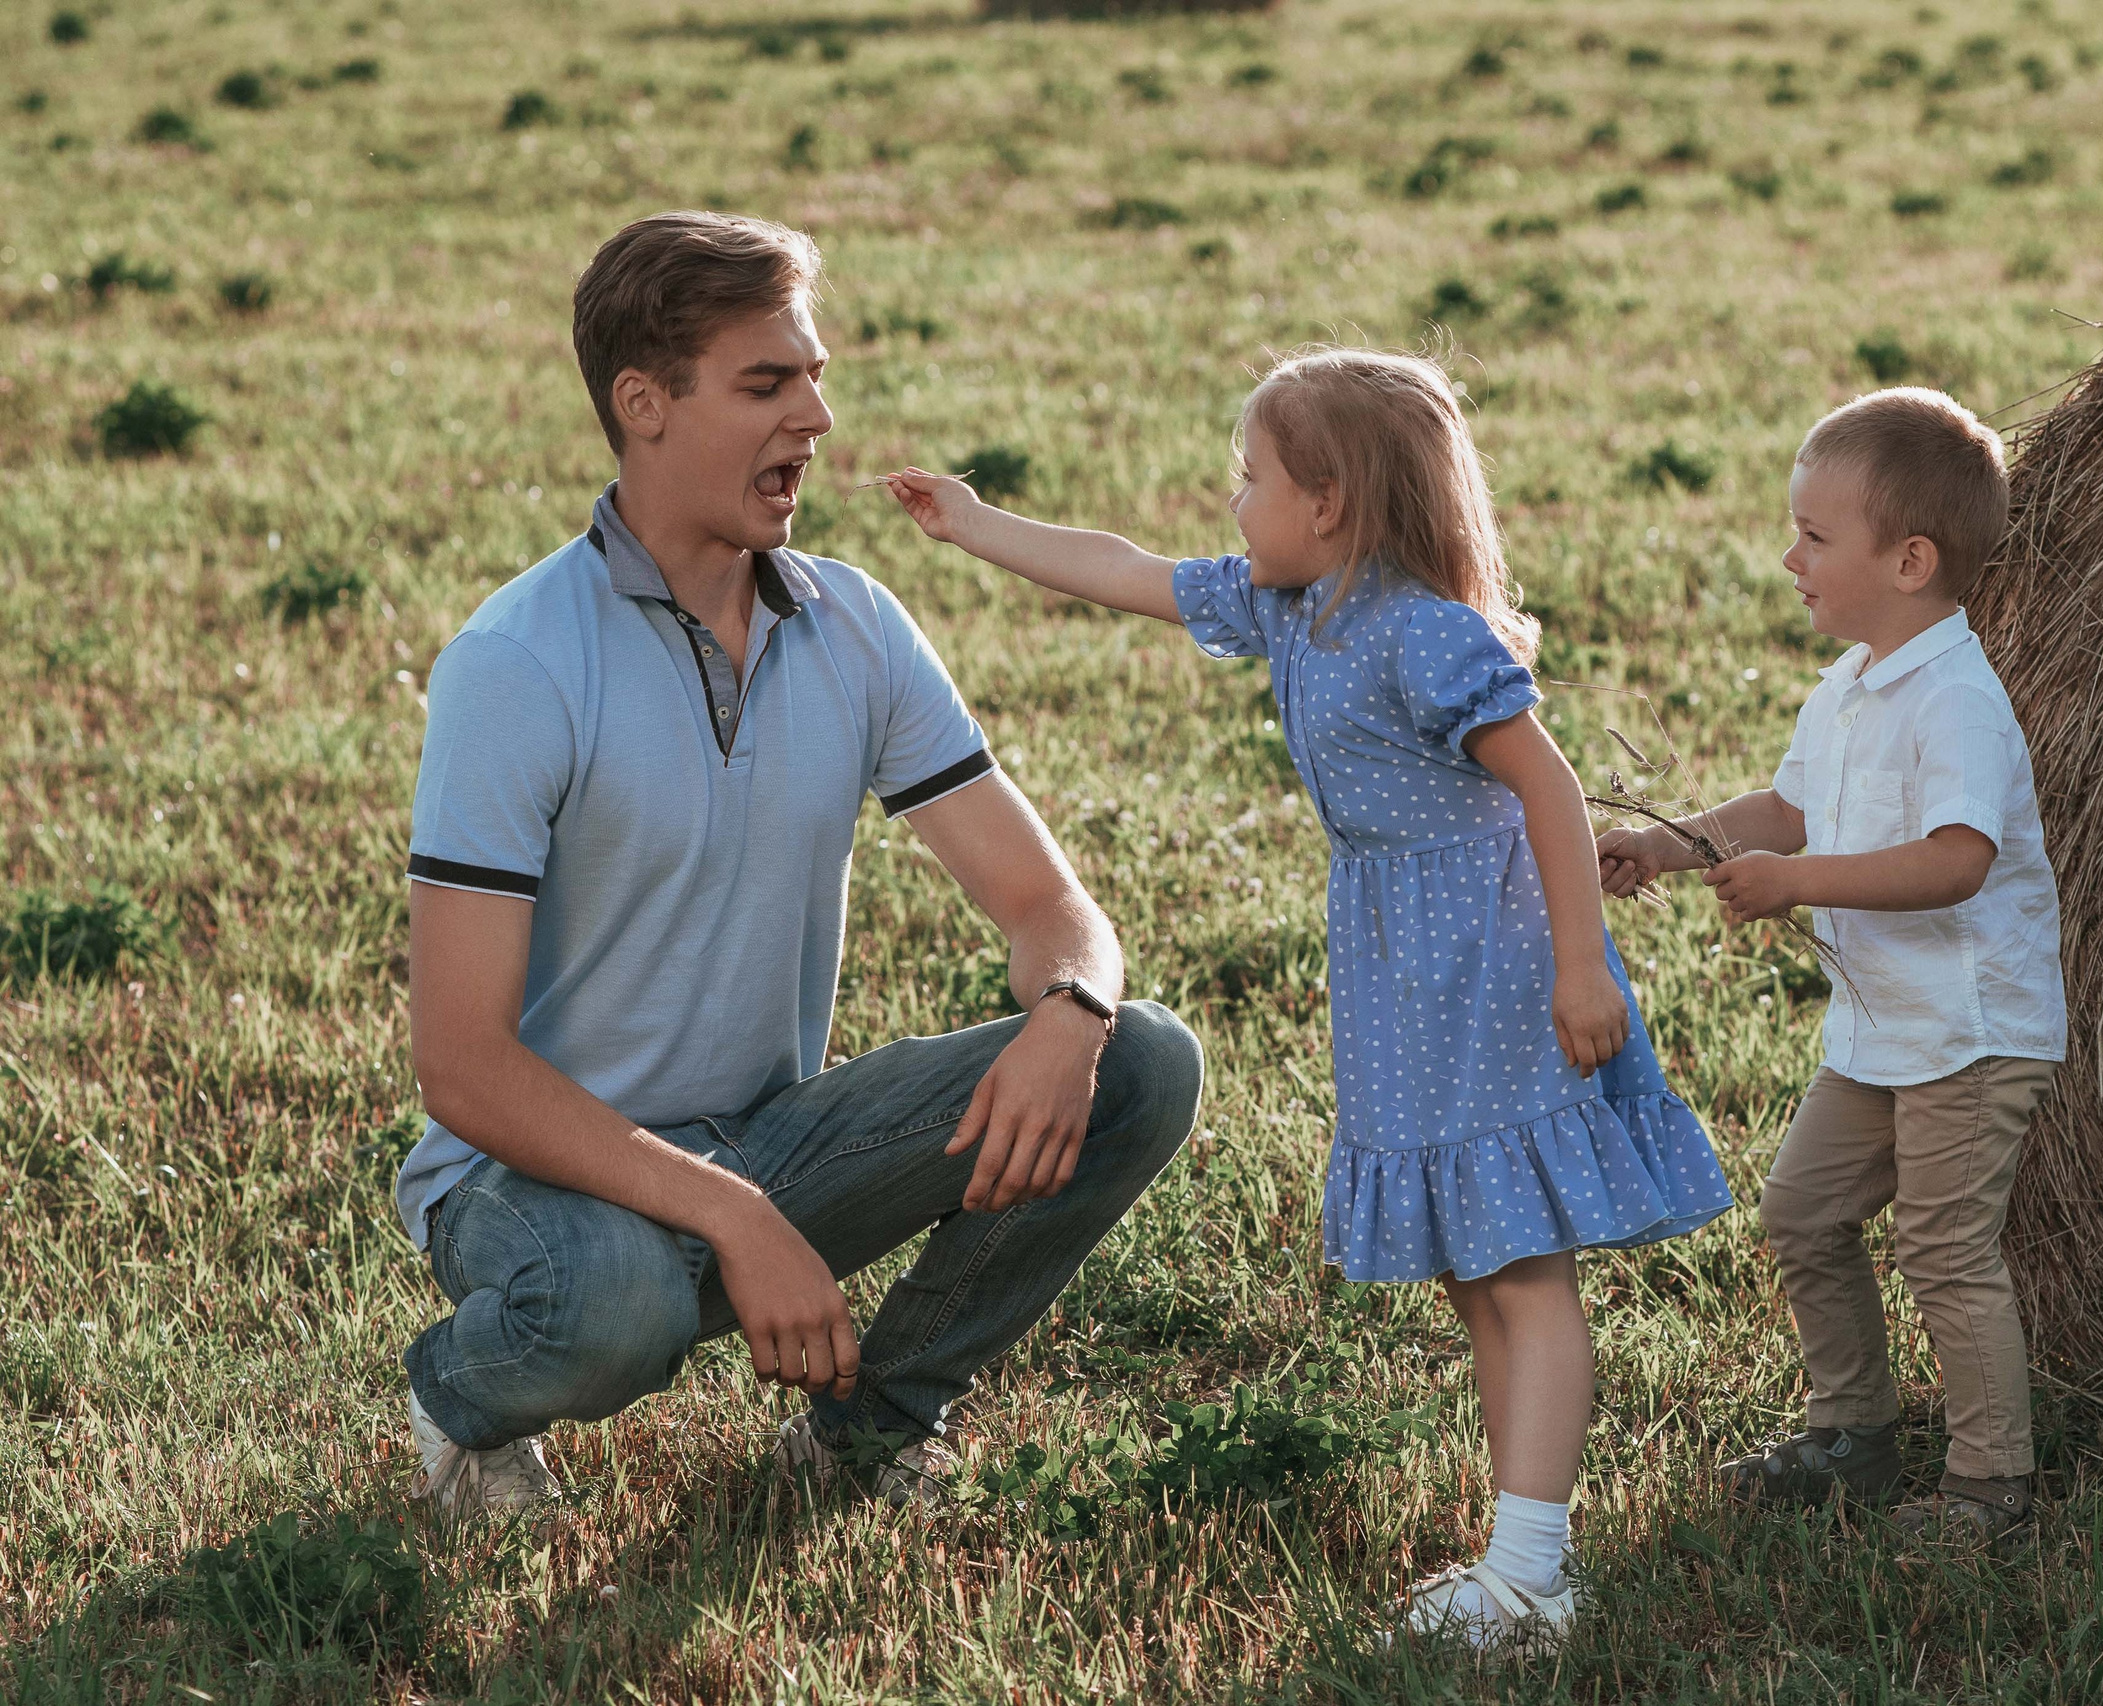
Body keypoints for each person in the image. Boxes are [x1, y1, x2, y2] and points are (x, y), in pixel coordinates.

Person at [883, 345, 1732, 1648]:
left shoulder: (1425, 634)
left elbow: (1551, 791)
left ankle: (1533, 1570)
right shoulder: (1296, 604)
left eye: (1250, 477)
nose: (1232, 502)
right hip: (1401, 962)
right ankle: (1521, 1552)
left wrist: (1576, 964)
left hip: (1491, 962)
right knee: (1474, 1260)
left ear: (1327, 501)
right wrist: (977, 522)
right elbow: (1124, 567)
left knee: (1522, 1263)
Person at [395, 210, 1201, 1522]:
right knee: (616, 1303)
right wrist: (737, 1218)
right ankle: (460, 1410)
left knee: (1142, 1059)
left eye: (814, 376)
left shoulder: (856, 625)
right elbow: (464, 1066)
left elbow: (1048, 904)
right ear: (642, 404)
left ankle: (867, 1434)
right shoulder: (518, 662)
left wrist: (1071, 1009)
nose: (815, 418)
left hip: (762, 1140)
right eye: (769, 383)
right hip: (529, 1179)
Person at [1597, 387, 2067, 1546]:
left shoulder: (1956, 700)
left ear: (1909, 559)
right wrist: (1672, 841)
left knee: (1944, 1250)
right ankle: (1852, 1433)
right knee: (1801, 1210)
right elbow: (1786, 805)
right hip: (1881, 1027)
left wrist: (1796, 883)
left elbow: (1959, 858)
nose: (1789, 556)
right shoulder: (1852, 683)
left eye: (1813, 535)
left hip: (1968, 1028)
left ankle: (1988, 1488)